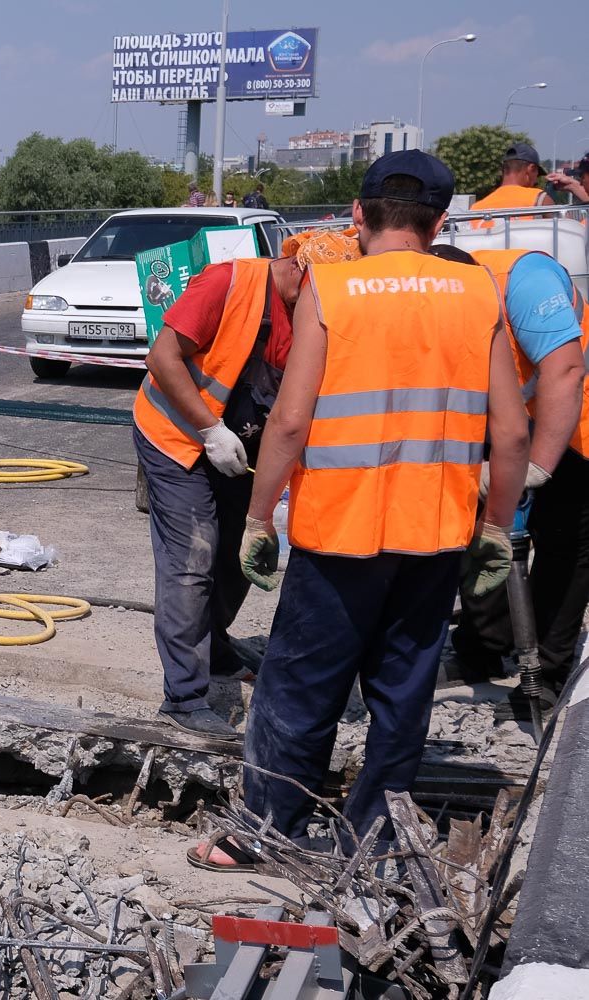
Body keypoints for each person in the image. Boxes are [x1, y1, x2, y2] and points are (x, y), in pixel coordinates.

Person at [189, 150, 530, 869]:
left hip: (338, 533)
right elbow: (511, 431)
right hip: (434, 535)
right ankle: (375, 839)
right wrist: (495, 527)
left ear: (357, 216)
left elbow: (287, 422)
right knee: (403, 693)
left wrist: (258, 518)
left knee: (299, 687)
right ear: (440, 223)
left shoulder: (332, 290)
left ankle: (265, 831)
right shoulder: (477, 294)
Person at [133, 229, 361, 737]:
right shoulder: (228, 283)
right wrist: (210, 430)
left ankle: (213, 647)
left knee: (240, 552)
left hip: (240, 446)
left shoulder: (311, 312)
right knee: (192, 558)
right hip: (177, 435)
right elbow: (162, 360)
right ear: (302, 272)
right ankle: (184, 697)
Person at [443, 245, 589, 693]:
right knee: (484, 526)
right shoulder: (435, 301)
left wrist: (538, 467)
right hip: (506, 416)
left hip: (576, 415)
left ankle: (545, 669)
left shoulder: (526, 281)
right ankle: (483, 648)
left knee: (567, 537)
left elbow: (566, 372)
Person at [470, 141, 551, 226]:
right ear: (531, 169)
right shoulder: (540, 199)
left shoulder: (476, 208)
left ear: (504, 170)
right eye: (537, 174)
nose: (536, 181)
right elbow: (563, 233)